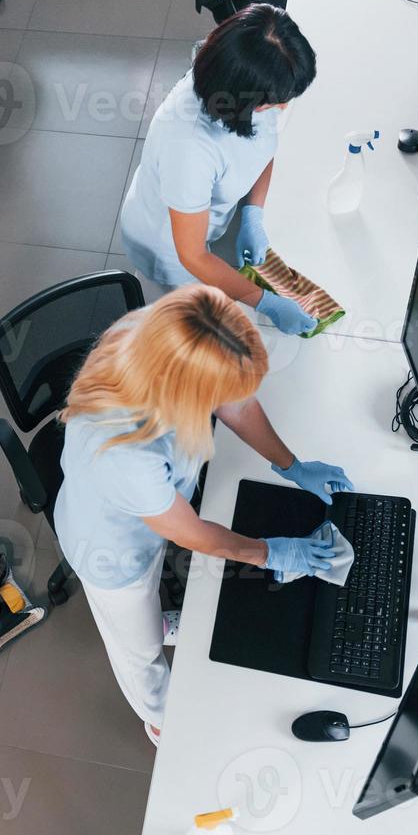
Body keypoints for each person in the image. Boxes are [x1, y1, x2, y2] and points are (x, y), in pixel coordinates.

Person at [52, 285, 353, 743]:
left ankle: (158, 620)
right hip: (111, 554)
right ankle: (158, 720)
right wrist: (269, 553)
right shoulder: (125, 450)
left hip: (150, 515)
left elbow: (236, 401)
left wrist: (291, 465)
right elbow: (191, 533)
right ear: (187, 397)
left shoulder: (172, 333)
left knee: (153, 598)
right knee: (140, 649)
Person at [118, 3, 319, 336]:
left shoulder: (244, 79)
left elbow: (265, 143)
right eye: (276, 101)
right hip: (169, 246)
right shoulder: (188, 147)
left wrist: (253, 213)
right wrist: (265, 302)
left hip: (202, 219)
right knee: (181, 328)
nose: (282, 107)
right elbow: (193, 256)